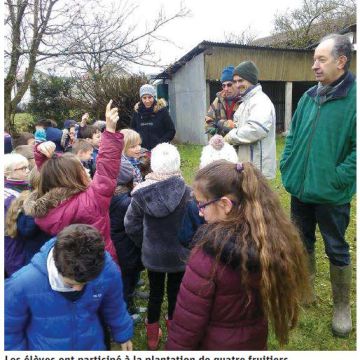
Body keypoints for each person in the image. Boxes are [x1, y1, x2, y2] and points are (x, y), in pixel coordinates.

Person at [166, 160, 310, 350]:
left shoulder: (206, 258)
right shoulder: (269, 241)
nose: (199, 213)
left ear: (225, 204)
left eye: (201, 205)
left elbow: (187, 325)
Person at [280, 34, 356, 338]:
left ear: (341, 61)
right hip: (300, 188)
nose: (314, 66)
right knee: (300, 239)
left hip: (331, 193)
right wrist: (288, 164)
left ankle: (342, 306)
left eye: (321, 59)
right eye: (314, 59)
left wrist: (338, 176)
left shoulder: (355, 99)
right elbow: (293, 135)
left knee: (336, 247)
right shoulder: (309, 97)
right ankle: (306, 287)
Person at [23, 100, 123, 264]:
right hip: (102, 263)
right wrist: (110, 132)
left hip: (71, 265)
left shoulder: (48, 209)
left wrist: (41, 154)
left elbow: (52, 174)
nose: (86, 170)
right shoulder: (91, 202)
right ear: (73, 177)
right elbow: (106, 171)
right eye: (81, 169)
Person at [5, 224, 133, 350]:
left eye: (85, 283)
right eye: (70, 284)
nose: (78, 289)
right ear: (56, 266)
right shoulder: (21, 284)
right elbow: (9, 332)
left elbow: (114, 303)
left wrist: (123, 332)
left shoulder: (107, 268)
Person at [124, 143, 192, 350]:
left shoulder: (140, 194)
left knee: (155, 293)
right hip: (179, 255)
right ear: (178, 163)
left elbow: (131, 224)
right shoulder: (189, 192)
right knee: (175, 293)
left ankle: (153, 335)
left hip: (153, 255)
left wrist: (143, 243)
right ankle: (173, 327)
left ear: (153, 165)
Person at [224, 61, 276, 179]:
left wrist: (230, 136)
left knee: (256, 198)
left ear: (251, 80)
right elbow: (239, 125)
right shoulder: (245, 103)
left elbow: (256, 129)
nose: (237, 85)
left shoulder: (260, 101)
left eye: (241, 80)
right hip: (247, 166)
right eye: (235, 81)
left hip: (258, 169)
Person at [4, 153, 30, 277]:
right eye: (22, 168)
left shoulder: (24, 186)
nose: (27, 171)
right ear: (7, 173)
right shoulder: (8, 196)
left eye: (28, 167)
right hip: (13, 245)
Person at [130, 84, 175, 150]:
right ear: (141, 98)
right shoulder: (137, 113)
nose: (147, 101)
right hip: (142, 151)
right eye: (144, 98)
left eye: (150, 97)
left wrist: (160, 144)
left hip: (160, 151)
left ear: (154, 97)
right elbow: (132, 131)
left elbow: (171, 131)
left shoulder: (162, 111)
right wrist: (137, 144)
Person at [205, 65, 241, 137]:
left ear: (237, 84)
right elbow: (208, 120)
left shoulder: (244, 101)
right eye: (223, 85)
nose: (226, 89)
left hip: (240, 145)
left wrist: (220, 124)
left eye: (229, 85)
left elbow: (242, 127)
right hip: (222, 144)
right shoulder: (218, 99)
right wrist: (213, 130)